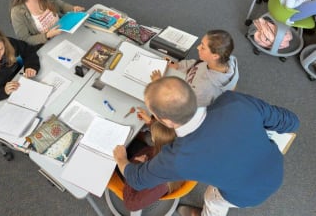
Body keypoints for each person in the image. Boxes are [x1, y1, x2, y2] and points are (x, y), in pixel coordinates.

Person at [113, 76, 299, 216]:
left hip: (246, 194)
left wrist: (121, 157)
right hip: (275, 168)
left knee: (212, 200)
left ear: (165, 121)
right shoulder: (233, 101)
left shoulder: (177, 158)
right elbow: (291, 122)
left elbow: (137, 179)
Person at [151, 30, 238, 107]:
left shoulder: (205, 89)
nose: (198, 47)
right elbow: (197, 65)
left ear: (215, 56)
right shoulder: (225, 60)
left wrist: (159, 83)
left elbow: (181, 103)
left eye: (203, 47)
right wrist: (176, 65)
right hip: (187, 84)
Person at [121, 121, 185, 211]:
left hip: (133, 180)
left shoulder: (159, 182)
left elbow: (130, 205)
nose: (151, 137)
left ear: (158, 143)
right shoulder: (178, 147)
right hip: (145, 160)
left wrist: (129, 163)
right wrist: (152, 124)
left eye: (152, 136)